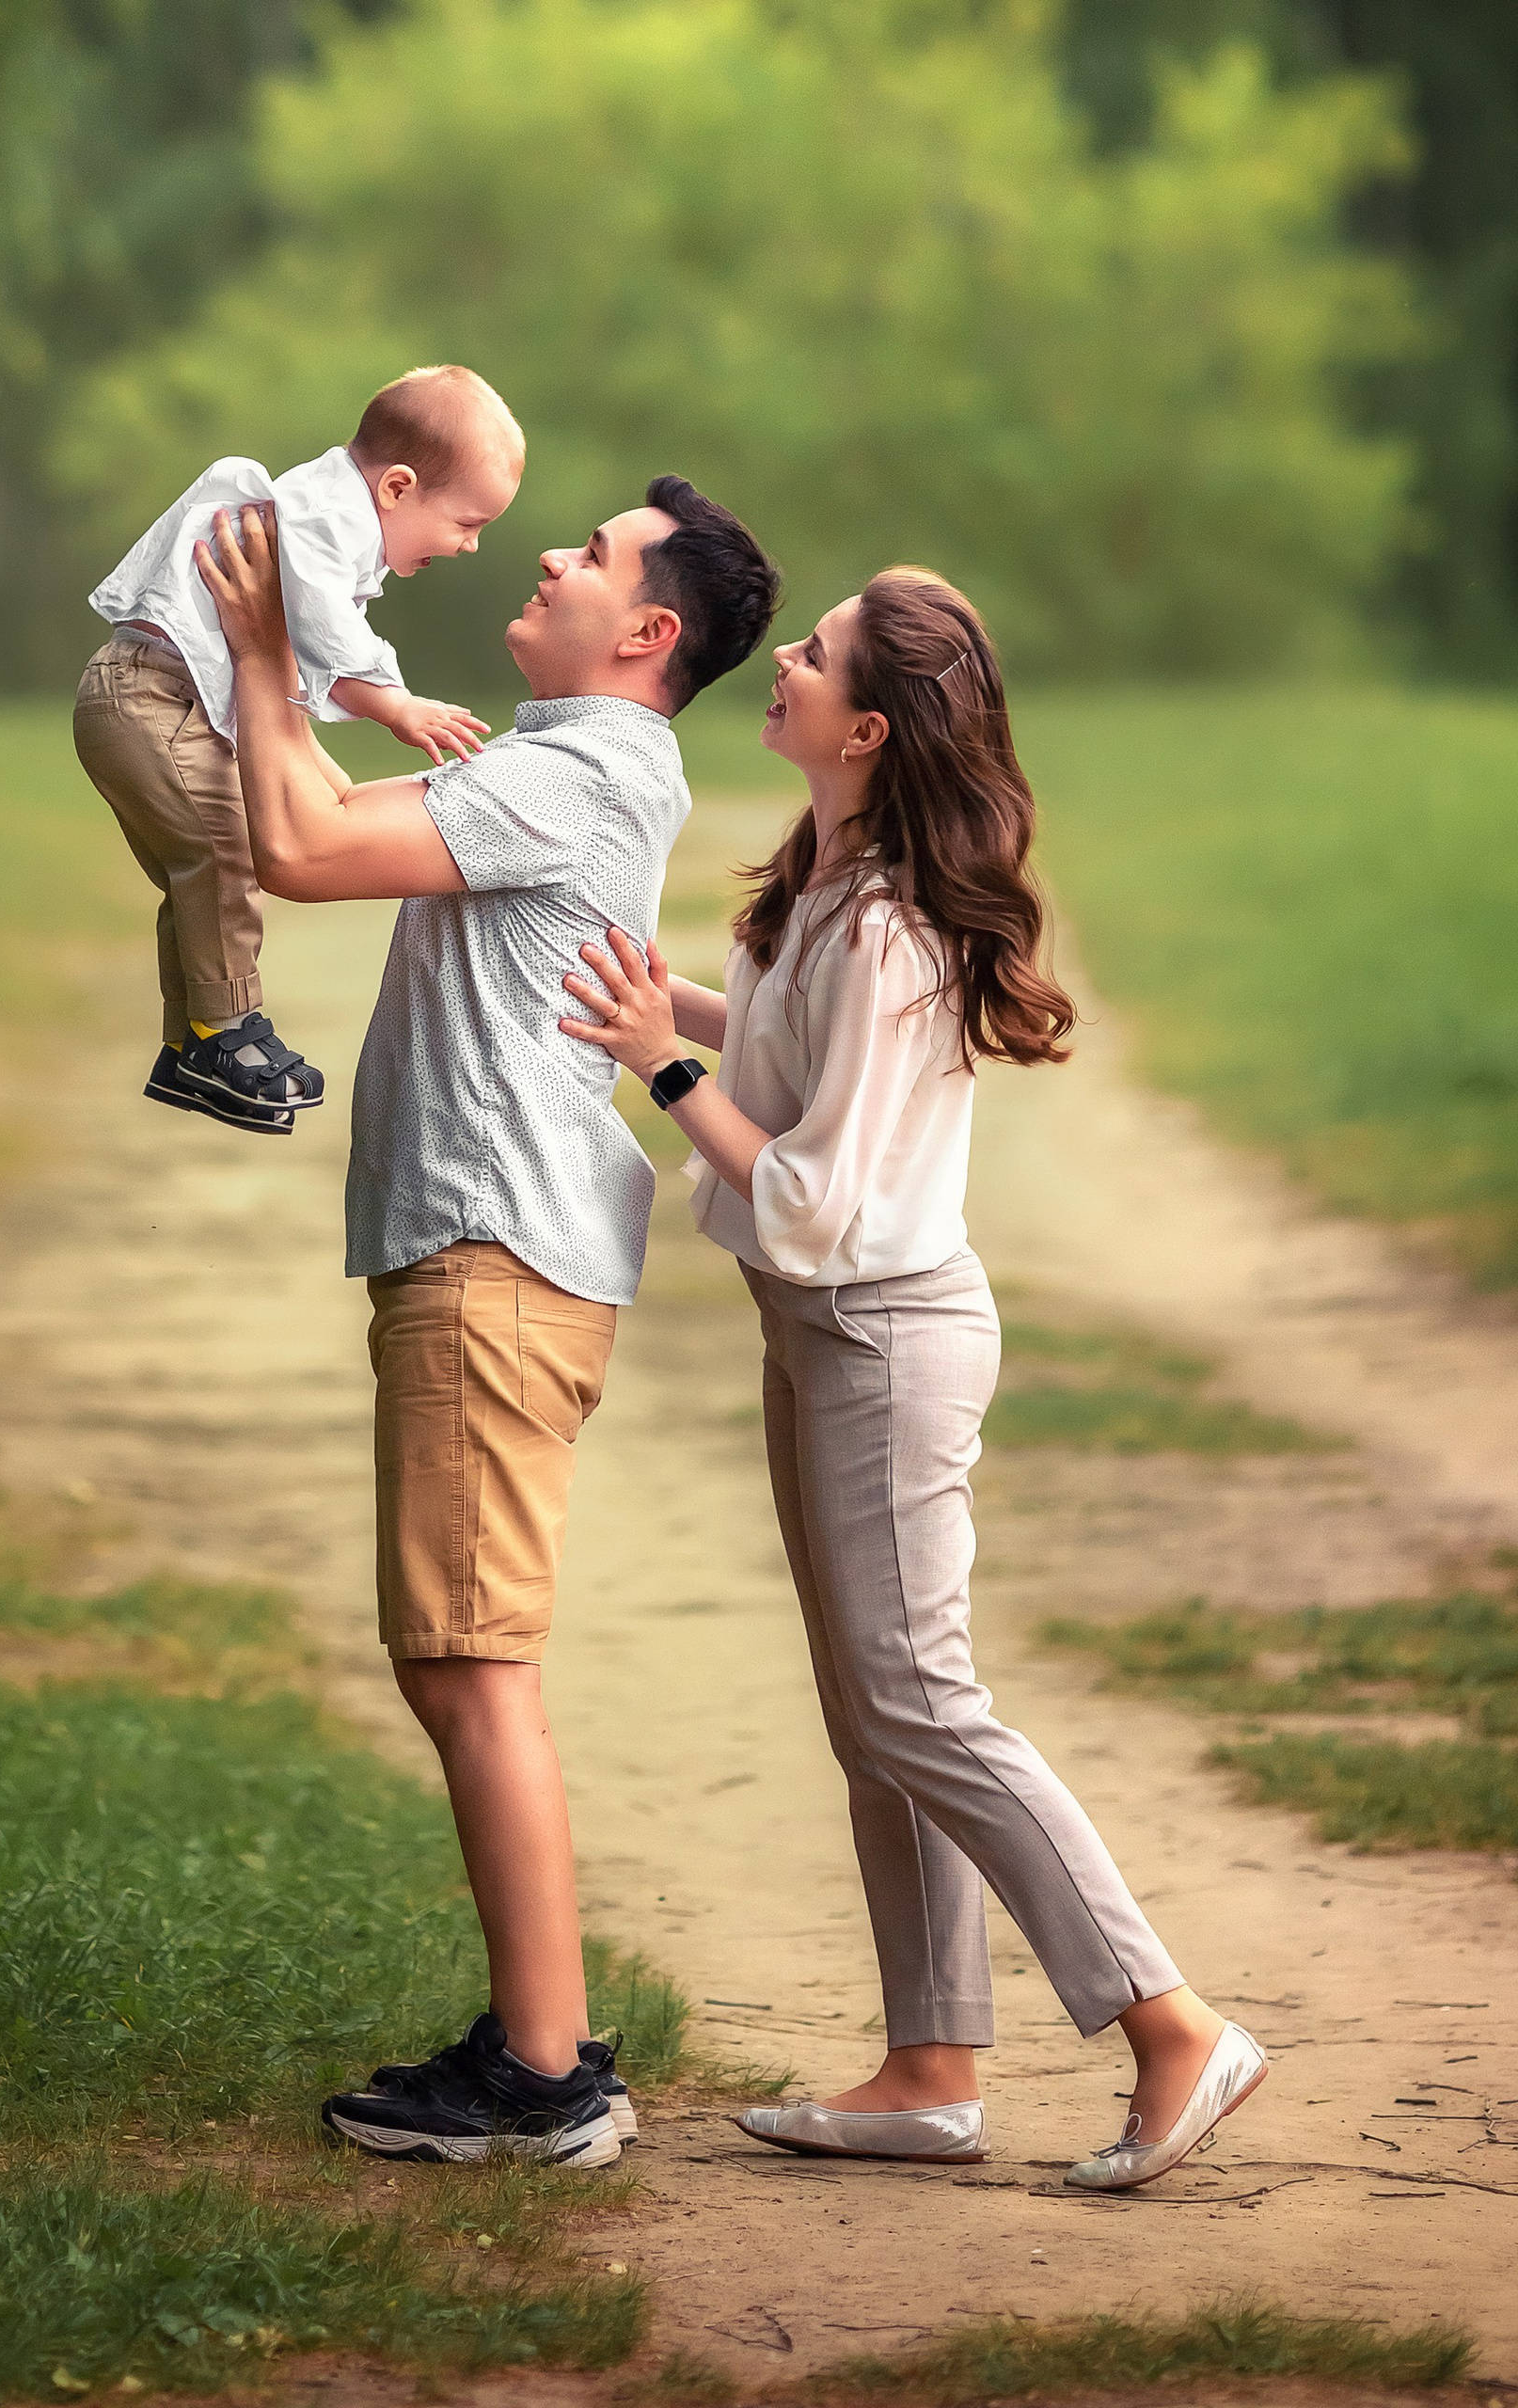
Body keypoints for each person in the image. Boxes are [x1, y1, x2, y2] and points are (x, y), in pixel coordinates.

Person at [555, 566, 1267, 2193]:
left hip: (883, 1330)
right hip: (819, 1335)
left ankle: (1171, 2025)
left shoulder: (886, 923)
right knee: (873, 1713)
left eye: (812, 656)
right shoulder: (830, 878)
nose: (784, 658)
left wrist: (656, 1065)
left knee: (919, 1702)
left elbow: (813, 1191)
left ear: (866, 726)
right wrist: (659, 993)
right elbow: (794, 1056)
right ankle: (931, 2065)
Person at [193, 477, 782, 2166]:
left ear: (648, 632)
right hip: (494, 1246)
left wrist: (259, 645)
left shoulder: (581, 768)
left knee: (468, 1661)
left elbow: (301, 852)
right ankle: (546, 2050)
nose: (547, 557)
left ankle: (545, 2077)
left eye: (588, 554)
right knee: (463, 1653)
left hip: (489, 1246)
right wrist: (299, 675)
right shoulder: (561, 769)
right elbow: (292, 809)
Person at [74, 366, 525, 1136]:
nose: (471, 545)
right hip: (154, 697)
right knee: (221, 856)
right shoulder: (328, 518)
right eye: (466, 522)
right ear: (398, 488)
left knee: (201, 873)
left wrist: (377, 706)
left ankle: (190, 1041)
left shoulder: (332, 520)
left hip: (161, 701)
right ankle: (226, 1031)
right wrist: (397, 704)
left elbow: (310, 664)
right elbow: (323, 634)